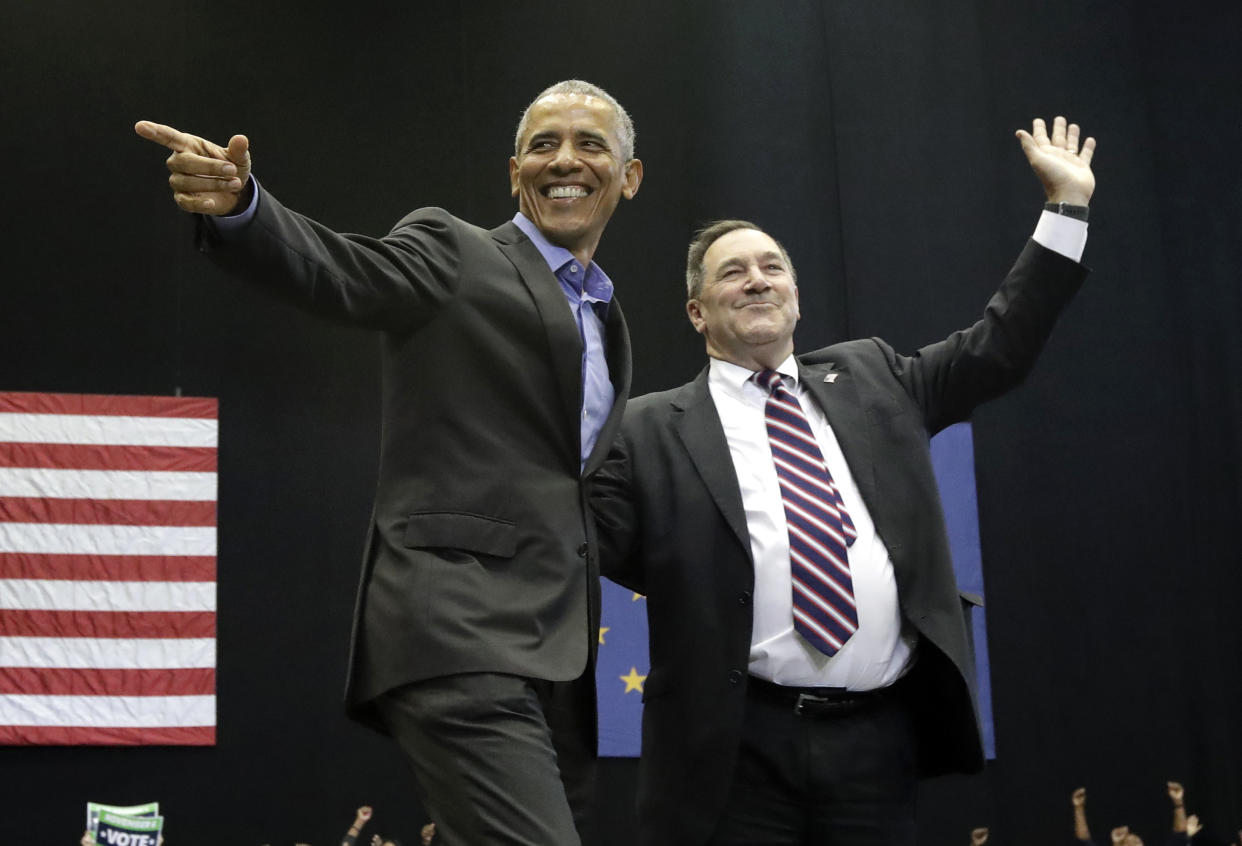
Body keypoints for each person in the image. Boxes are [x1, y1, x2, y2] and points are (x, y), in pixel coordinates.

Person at [135, 78, 643, 846]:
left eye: (589, 144)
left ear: (629, 177)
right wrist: (245, 207)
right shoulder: (457, 251)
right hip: (463, 628)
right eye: (544, 143)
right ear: (514, 172)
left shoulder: (606, 316)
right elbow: (341, 270)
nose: (563, 160)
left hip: (564, 664)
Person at [591, 116, 1095, 845]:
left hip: (877, 741)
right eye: (732, 272)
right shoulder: (644, 429)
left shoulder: (872, 375)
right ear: (698, 312)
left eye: (772, 267)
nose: (757, 278)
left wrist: (1066, 209)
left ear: (795, 297)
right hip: (734, 750)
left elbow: (999, 348)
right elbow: (594, 544)